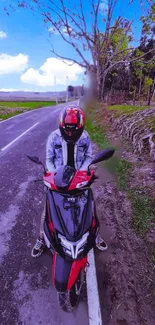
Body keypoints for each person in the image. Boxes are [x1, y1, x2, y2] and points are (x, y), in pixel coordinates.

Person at [31, 104, 108, 258]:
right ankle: (41, 238)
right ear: (61, 125)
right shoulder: (53, 137)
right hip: (58, 180)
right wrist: (53, 176)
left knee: (90, 207)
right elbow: (49, 158)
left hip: (79, 178)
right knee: (48, 210)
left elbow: (88, 156)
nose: (70, 132)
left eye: (74, 129)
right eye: (67, 129)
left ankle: (96, 236)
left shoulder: (85, 137)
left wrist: (83, 172)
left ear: (80, 127)